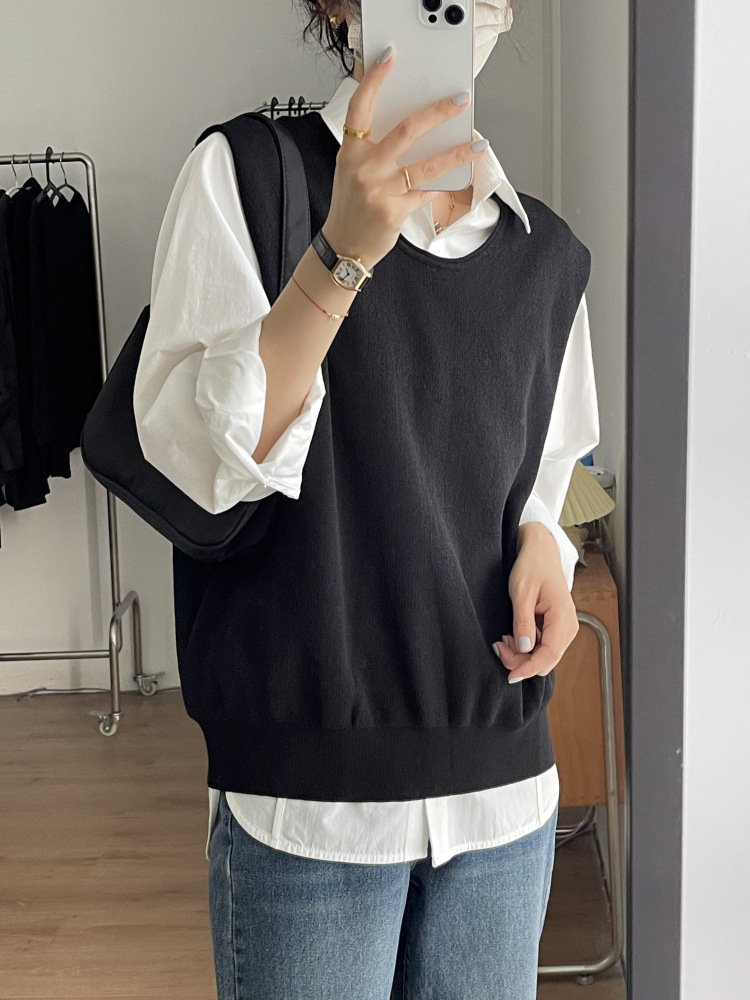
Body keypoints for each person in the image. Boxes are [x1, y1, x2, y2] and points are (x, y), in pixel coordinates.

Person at [133, 1, 599, 996]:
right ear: (336, 7)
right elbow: (196, 463)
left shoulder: (547, 255)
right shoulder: (247, 181)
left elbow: (547, 474)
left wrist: (545, 547)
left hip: (503, 794)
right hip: (310, 800)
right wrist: (340, 256)